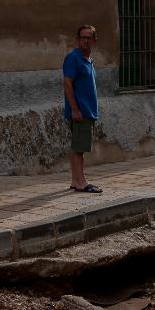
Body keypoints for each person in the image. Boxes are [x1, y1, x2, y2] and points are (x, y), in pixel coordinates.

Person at [63, 24, 101, 193]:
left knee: (78, 146)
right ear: (77, 40)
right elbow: (67, 84)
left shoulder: (89, 60)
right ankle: (81, 182)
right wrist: (75, 109)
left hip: (88, 111)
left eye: (88, 37)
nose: (85, 41)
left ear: (94, 40)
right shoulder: (73, 58)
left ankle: (75, 180)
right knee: (79, 148)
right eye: (82, 37)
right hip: (80, 111)